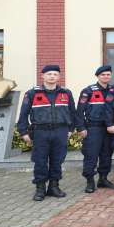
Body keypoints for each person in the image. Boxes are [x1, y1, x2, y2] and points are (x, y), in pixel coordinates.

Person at [16, 65, 77, 201]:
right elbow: (23, 114)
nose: (52, 76)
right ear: (42, 76)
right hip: (40, 132)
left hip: (60, 131)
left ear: (59, 77)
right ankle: (40, 188)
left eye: (55, 74)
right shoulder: (32, 93)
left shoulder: (66, 93)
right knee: (40, 161)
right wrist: (23, 132)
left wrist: (71, 129)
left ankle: (54, 187)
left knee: (57, 160)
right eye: (49, 74)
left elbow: (73, 113)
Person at [76, 65, 114, 193]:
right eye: (103, 75)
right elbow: (79, 112)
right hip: (93, 128)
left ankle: (103, 179)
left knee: (106, 154)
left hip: (109, 129)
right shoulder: (88, 91)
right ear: (98, 76)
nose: (106, 77)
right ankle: (90, 181)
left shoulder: (113, 90)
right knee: (91, 155)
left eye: (108, 74)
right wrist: (81, 127)